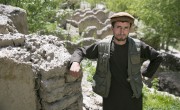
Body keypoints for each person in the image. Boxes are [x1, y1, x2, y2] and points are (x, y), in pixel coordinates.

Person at [69, 12, 163, 110]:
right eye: (118, 27)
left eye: (126, 28)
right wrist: (75, 63)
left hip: (134, 97)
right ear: (112, 28)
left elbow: (157, 57)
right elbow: (80, 51)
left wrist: (146, 73)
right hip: (111, 98)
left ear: (129, 29)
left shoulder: (138, 46)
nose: (122, 31)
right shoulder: (103, 46)